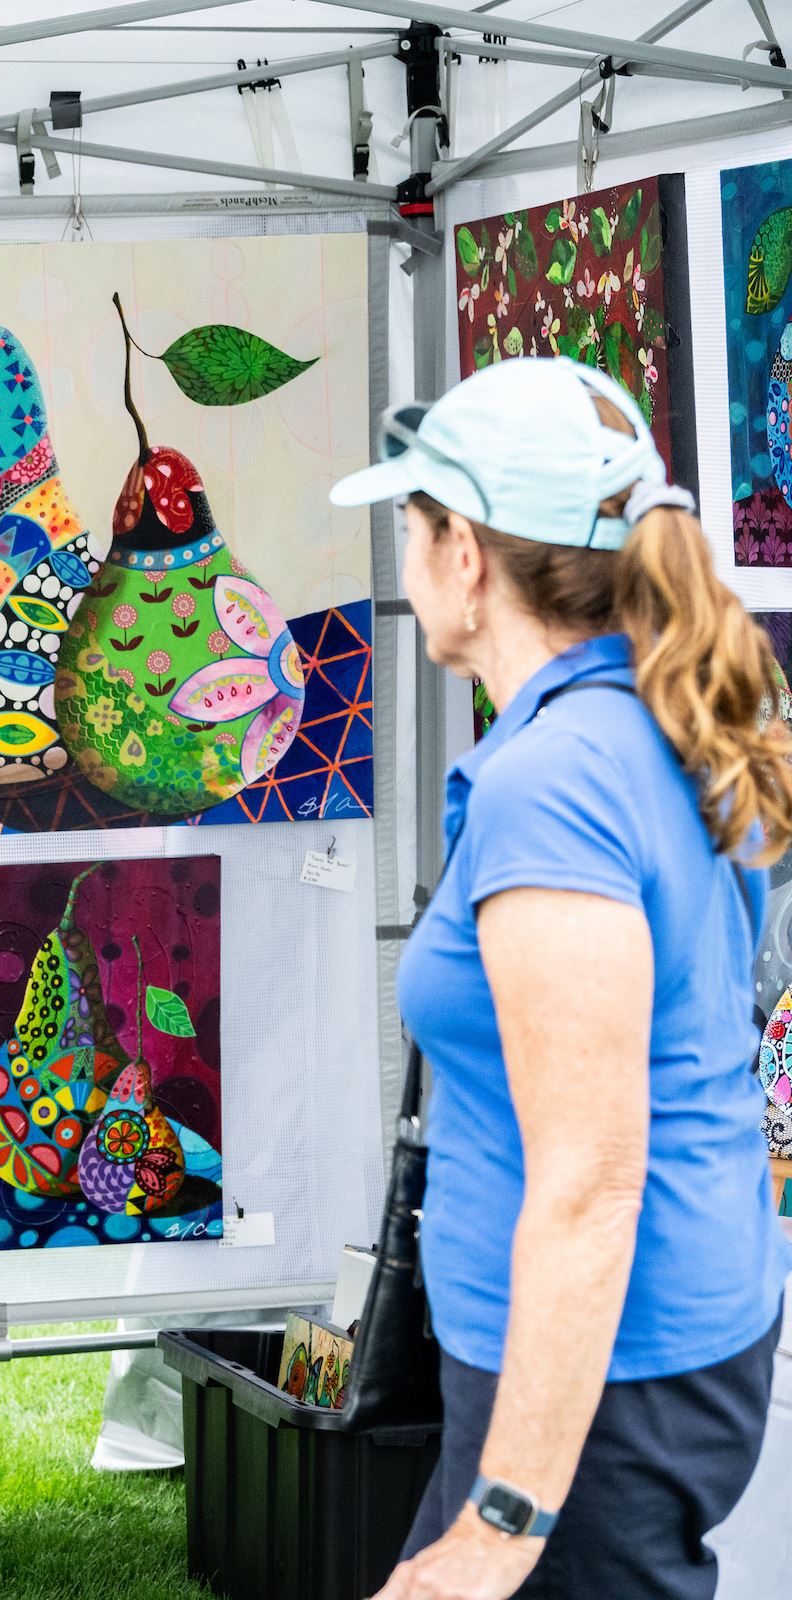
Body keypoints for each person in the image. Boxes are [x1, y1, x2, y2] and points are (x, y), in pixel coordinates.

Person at [330, 356, 792, 1600]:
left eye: (412, 525)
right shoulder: (645, 720)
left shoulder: (562, 780)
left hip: (601, 1384)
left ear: (465, 555)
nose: (408, 557)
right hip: (622, 1359)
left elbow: (589, 1181)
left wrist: (504, 1520)